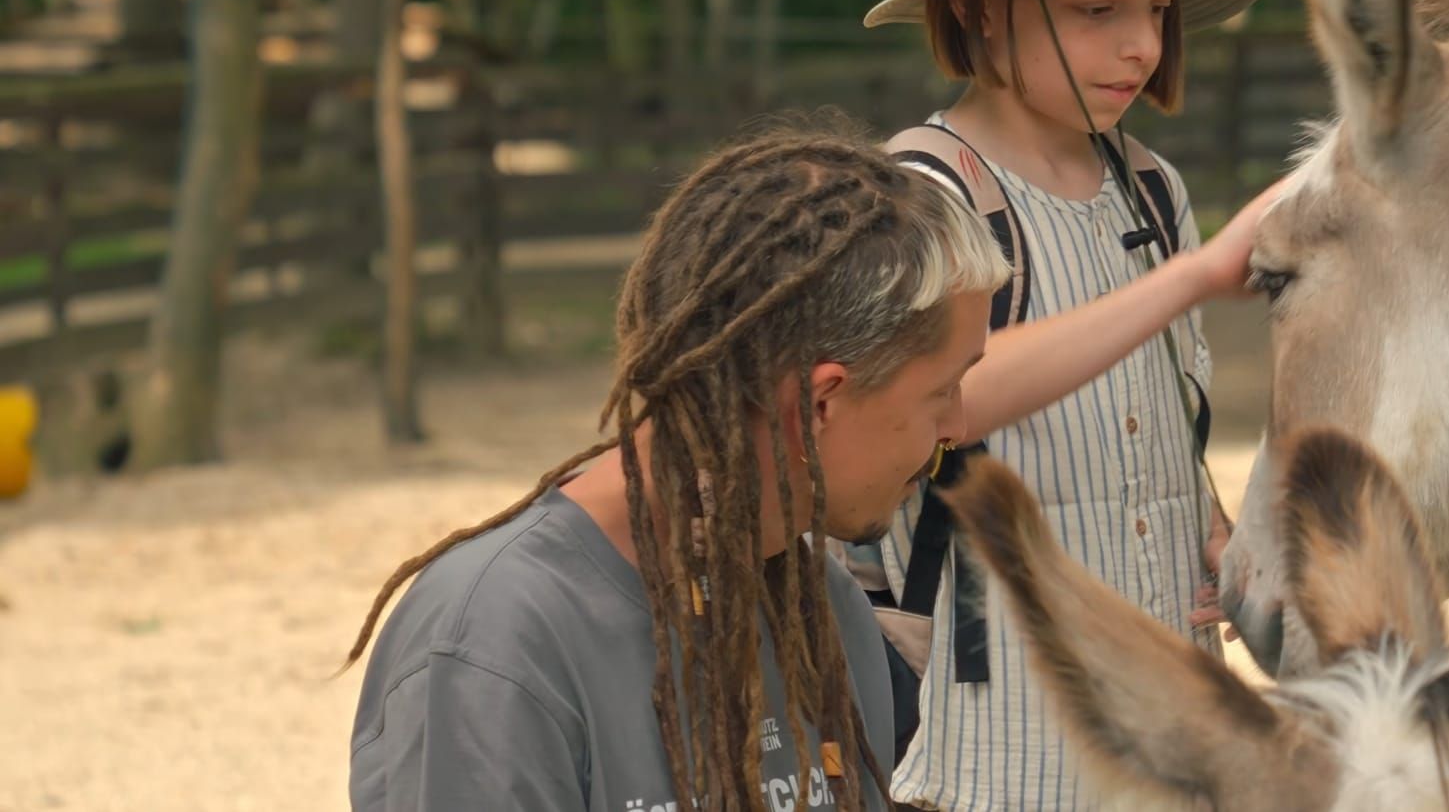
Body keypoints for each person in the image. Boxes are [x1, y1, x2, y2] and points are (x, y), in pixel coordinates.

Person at [343, 121, 1011, 812]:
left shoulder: (823, 610)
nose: (957, 426)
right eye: (942, 389)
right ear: (819, 401)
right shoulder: (498, 640)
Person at [860, 0, 1289, 810]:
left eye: (1159, 8)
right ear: (981, 8)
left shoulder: (1150, 187)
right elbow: (948, 403)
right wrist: (1190, 278)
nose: (1141, 45)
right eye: (1100, 10)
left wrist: (1209, 528)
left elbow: (1159, 405)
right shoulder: (922, 189)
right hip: (997, 707)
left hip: (1168, 697)